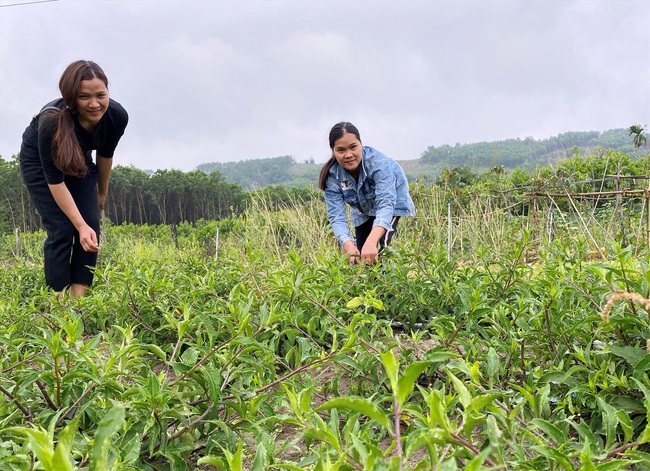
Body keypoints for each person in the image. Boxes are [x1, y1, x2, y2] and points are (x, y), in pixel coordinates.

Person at [20, 60, 128, 297]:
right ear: (71, 97)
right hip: (40, 163)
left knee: (91, 225)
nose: (94, 104)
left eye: (101, 95)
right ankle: (58, 303)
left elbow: (105, 155)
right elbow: (55, 182)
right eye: (84, 97)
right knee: (62, 227)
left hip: (79, 158)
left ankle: (79, 300)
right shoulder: (51, 121)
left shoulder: (117, 116)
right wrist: (78, 225)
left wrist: (101, 194)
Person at [318, 122, 415, 265]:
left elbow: (386, 204)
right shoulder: (332, 176)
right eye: (341, 150)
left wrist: (372, 241)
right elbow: (337, 217)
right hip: (362, 209)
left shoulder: (378, 164)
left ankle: (386, 285)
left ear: (361, 144)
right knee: (360, 256)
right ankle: (366, 286)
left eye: (353, 147)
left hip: (391, 203)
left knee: (380, 249)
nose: (348, 155)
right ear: (333, 151)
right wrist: (348, 245)